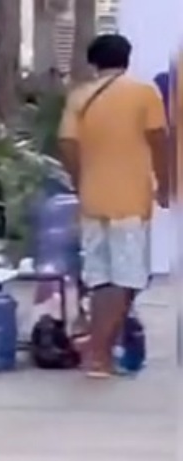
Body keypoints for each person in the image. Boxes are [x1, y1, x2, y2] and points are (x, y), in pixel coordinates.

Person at [58, 34, 171, 378]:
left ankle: (98, 352)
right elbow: (158, 141)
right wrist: (164, 184)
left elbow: (66, 143)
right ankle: (99, 354)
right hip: (130, 200)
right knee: (128, 279)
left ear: (94, 62)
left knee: (101, 279)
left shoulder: (79, 96)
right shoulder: (143, 94)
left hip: (92, 199)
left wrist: (81, 179)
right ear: (127, 57)